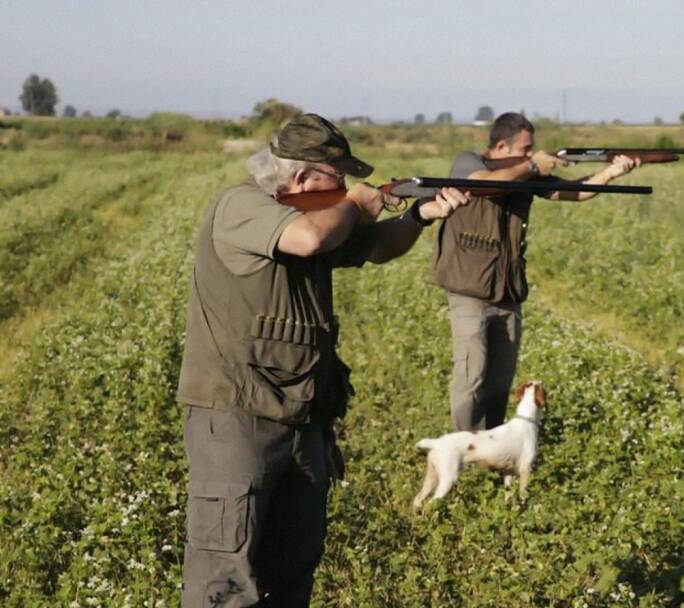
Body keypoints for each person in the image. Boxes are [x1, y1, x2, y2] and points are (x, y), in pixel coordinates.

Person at [176, 113, 469, 606]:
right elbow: (309, 239)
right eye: (338, 177)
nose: (347, 185)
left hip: (302, 417)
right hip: (237, 418)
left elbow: (377, 247)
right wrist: (355, 203)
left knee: (292, 571)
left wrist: (418, 217)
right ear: (302, 177)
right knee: (224, 582)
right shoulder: (242, 206)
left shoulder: (317, 217)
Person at [431, 112, 639, 432]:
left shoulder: (524, 176)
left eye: (533, 150)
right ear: (501, 145)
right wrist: (531, 166)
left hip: (507, 288)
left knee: (500, 380)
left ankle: (493, 448)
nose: (532, 154)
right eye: (526, 149)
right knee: (471, 376)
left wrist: (611, 172)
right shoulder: (469, 162)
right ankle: (466, 450)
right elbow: (484, 185)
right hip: (469, 286)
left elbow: (575, 192)